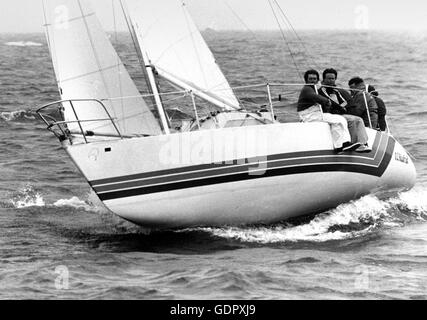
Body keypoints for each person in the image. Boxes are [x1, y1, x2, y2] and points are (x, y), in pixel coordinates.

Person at [298, 69, 361, 152]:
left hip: (314, 114)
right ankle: (345, 143)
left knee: (336, 122)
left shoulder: (314, 88)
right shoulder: (307, 88)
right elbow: (315, 97)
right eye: (310, 79)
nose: (313, 81)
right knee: (340, 119)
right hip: (308, 115)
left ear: (317, 80)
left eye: (314, 79)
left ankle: (338, 146)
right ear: (306, 80)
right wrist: (326, 101)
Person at [319, 68, 371, 152]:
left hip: (338, 112)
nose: (331, 81)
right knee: (351, 120)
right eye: (328, 78)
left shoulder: (335, 91)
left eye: (332, 78)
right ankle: (353, 143)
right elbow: (329, 101)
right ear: (324, 79)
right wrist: (340, 107)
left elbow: (345, 102)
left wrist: (341, 107)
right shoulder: (322, 90)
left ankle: (363, 143)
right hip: (330, 114)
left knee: (359, 120)